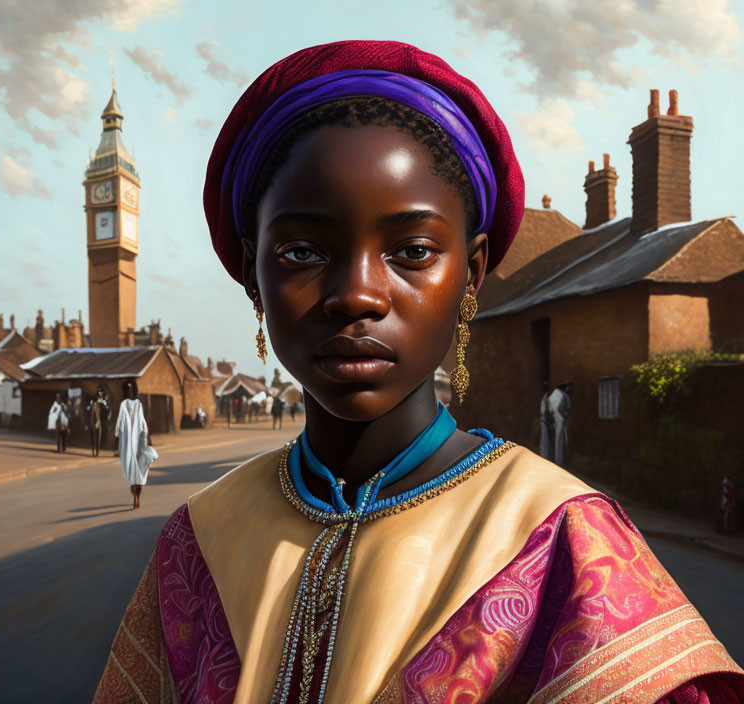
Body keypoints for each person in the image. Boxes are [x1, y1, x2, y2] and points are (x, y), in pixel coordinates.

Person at [94, 41, 743, 702]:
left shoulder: (563, 543)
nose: (357, 293)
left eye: (411, 250)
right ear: (250, 273)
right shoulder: (199, 541)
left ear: (473, 270)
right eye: (301, 249)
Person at [114, 381, 156, 509]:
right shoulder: (123, 405)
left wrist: (147, 437)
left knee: (140, 470)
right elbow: (119, 423)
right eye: (127, 391)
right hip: (127, 443)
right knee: (132, 472)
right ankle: (135, 496)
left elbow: (143, 422)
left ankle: (137, 495)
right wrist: (118, 437)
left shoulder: (138, 405)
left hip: (139, 441)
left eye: (130, 390)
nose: (129, 393)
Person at [548, 381, 571, 466]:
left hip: (552, 421)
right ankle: (559, 462)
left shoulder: (553, 395)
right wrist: (564, 417)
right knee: (560, 442)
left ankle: (554, 461)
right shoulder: (562, 396)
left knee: (553, 442)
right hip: (560, 421)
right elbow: (562, 408)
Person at [87, 386, 112, 457]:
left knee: (98, 436)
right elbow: (88, 408)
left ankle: (97, 451)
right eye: (99, 393)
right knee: (92, 436)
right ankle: (93, 451)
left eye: (101, 393)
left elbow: (107, 410)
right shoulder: (94, 401)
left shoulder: (103, 402)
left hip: (100, 420)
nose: (100, 394)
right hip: (93, 419)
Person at [538, 381, 553, 461]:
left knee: (545, 439)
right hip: (545, 421)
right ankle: (544, 456)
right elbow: (545, 412)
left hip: (544, 421)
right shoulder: (545, 399)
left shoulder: (545, 398)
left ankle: (545, 455)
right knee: (545, 439)